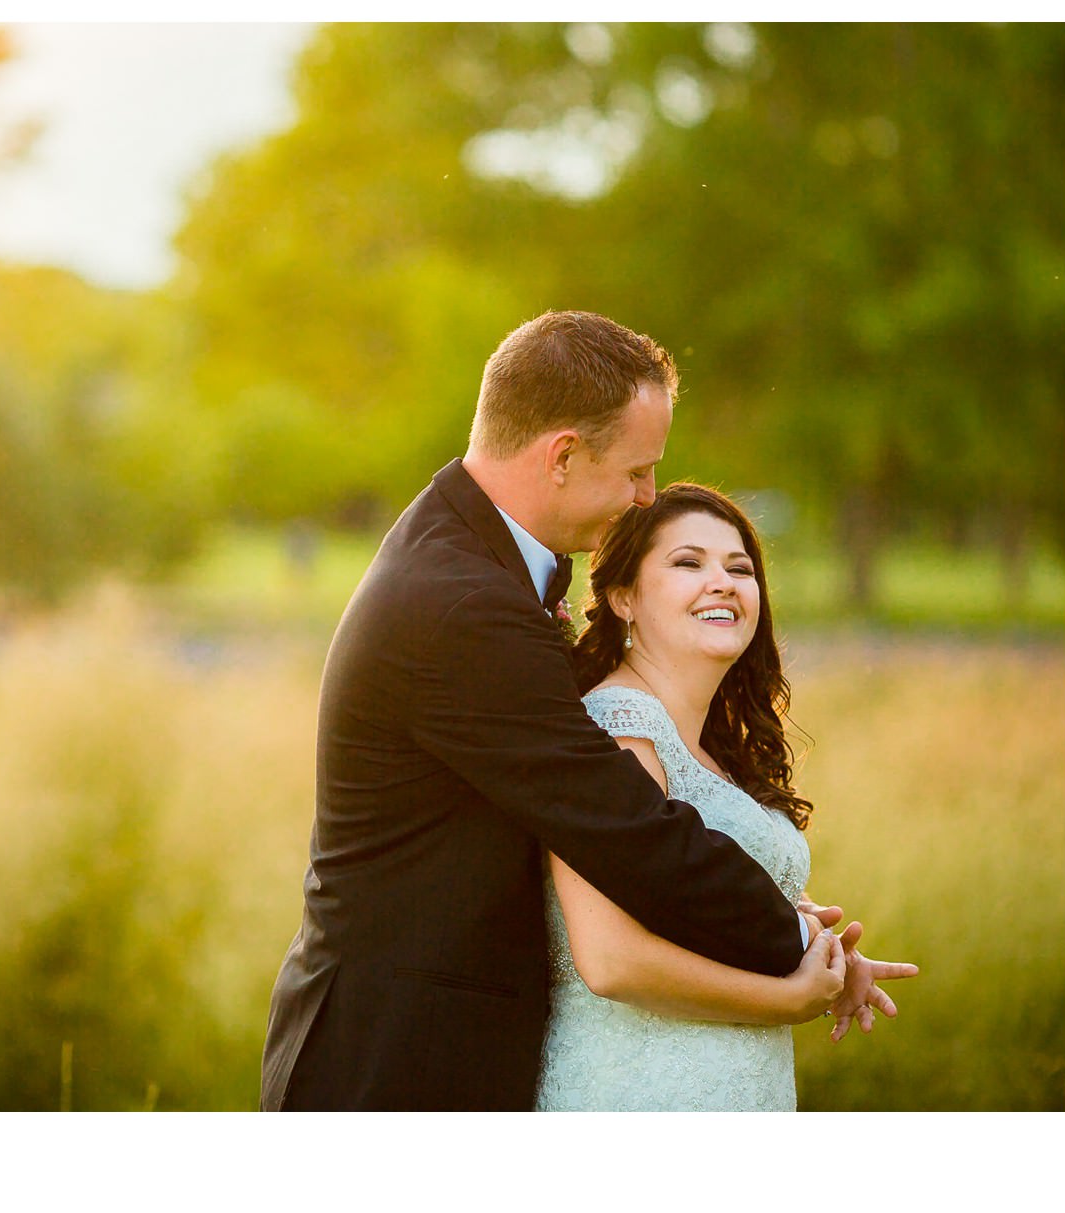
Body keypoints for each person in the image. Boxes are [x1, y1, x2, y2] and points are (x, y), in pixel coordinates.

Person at [262, 310, 841, 1111]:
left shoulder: (470, 556)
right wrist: (797, 943)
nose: (645, 496)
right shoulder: (461, 601)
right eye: (638, 471)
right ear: (563, 454)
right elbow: (621, 825)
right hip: (395, 1064)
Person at [537, 483, 918, 1110]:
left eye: (739, 568)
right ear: (623, 597)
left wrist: (821, 950)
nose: (723, 582)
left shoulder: (710, 744)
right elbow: (610, 960)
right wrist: (789, 998)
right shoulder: (617, 729)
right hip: (640, 1092)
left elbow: (712, 892)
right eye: (689, 563)